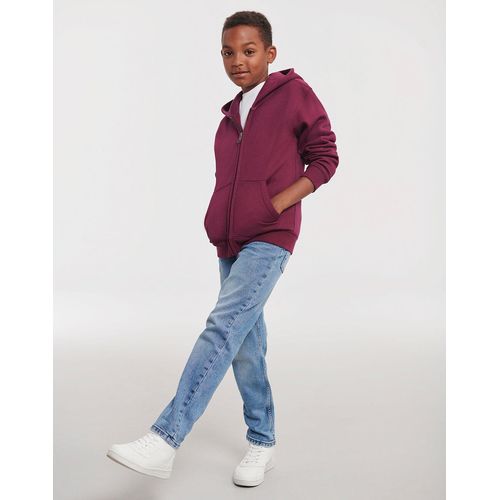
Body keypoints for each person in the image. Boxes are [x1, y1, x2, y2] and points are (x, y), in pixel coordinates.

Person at [106, 10, 339, 487]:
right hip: (231, 240)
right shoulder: (230, 116)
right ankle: (263, 441)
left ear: (270, 53)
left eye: (249, 51)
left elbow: (325, 157)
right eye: (228, 53)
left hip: (270, 236)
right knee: (244, 345)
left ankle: (165, 439)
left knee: (221, 328)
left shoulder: (294, 94)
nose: (238, 61)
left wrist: (276, 205)